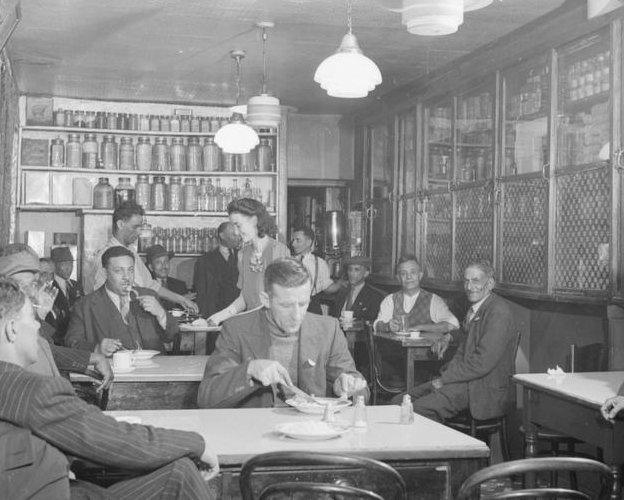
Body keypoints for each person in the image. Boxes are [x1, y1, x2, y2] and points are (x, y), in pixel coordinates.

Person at [0, 277, 219, 499]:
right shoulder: (32, 391)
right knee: (181, 473)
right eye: (32, 319)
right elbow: (114, 440)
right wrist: (196, 443)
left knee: (178, 474)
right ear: (12, 329)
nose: (39, 325)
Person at [198, 258, 368, 408]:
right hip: (257, 435)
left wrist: (347, 387)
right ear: (266, 300)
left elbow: (361, 390)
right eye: (286, 306)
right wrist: (249, 370)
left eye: (303, 304)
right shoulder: (237, 329)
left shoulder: (328, 329)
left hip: (312, 435)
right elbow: (206, 397)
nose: (296, 315)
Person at [396, 261, 517, 423]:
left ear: (490, 284)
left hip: (481, 389)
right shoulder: (479, 306)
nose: (469, 286)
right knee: (397, 402)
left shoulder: (499, 312)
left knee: (416, 409)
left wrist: (445, 380)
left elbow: (482, 363)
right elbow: (468, 333)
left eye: (475, 281)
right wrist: (448, 337)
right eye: (466, 281)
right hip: (464, 381)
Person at [0, 247, 112, 389]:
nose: (34, 292)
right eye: (23, 285)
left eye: (35, 283)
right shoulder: (7, 318)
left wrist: (40, 315)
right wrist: (92, 358)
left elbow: (46, 349)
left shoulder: (25, 312)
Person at [65, 246, 179, 355]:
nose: (127, 277)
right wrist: (97, 348)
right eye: (118, 271)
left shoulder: (149, 295)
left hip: (153, 369)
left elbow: (171, 336)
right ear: (105, 273)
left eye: (130, 270)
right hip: (114, 371)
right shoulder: (85, 305)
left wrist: (161, 314)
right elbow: (72, 342)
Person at [91, 202, 198, 313]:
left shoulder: (131, 251)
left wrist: (182, 300)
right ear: (120, 224)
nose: (139, 232)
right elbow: (101, 299)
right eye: (135, 227)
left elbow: (150, 284)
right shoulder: (105, 256)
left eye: (140, 227)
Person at [373, 255, 459, 382]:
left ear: (420, 275)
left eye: (413, 272)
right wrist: (387, 326)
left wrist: (419, 327)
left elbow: (453, 324)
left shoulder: (433, 300)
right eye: (403, 273)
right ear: (398, 278)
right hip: (394, 363)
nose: (408, 277)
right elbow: (376, 325)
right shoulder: (390, 300)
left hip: (424, 363)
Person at [207, 198, 289, 325]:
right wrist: (217, 318)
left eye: (238, 225)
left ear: (254, 219)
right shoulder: (243, 254)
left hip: (275, 325)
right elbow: (244, 298)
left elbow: (283, 299)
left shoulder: (279, 252)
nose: (235, 231)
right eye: (233, 226)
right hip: (254, 324)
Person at [290, 226, 343, 314]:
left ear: (308, 242)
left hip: (311, 307)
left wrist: (340, 283)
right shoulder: (288, 261)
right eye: (293, 240)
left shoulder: (320, 263)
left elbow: (327, 288)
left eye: (297, 240)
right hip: (291, 307)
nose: (293, 244)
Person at [193, 221, 240, 318]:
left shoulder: (244, 256)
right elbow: (201, 294)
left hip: (239, 314)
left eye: (238, 234)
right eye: (233, 234)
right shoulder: (204, 261)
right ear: (222, 235)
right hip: (215, 316)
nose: (238, 238)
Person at [330, 255, 385, 323]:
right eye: (350, 269)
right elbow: (333, 316)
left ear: (366, 273)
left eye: (356, 270)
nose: (351, 273)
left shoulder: (374, 296)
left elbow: (370, 323)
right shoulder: (342, 291)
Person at [47, 246, 84, 345]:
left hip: (75, 339)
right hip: (57, 340)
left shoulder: (76, 286)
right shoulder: (48, 286)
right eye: (64, 264)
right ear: (54, 266)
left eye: (71, 263)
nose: (69, 268)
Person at [145, 244, 195, 310]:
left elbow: (186, 312)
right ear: (151, 267)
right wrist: (179, 300)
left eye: (166, 261)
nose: (164, 266)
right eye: (158, 262)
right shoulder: (147, 285)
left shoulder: (180, 285)